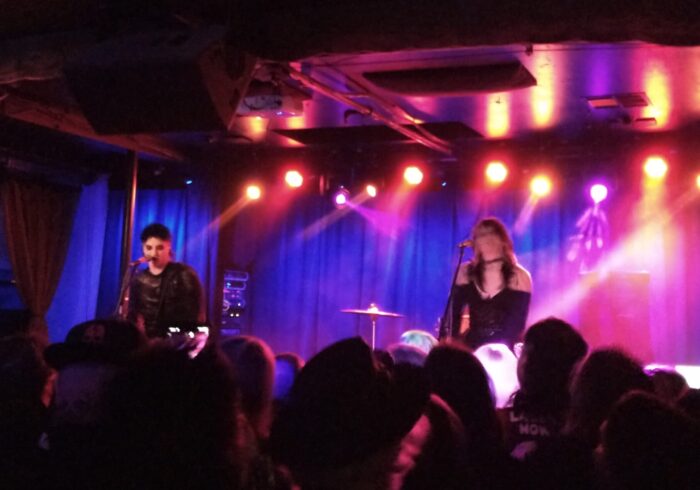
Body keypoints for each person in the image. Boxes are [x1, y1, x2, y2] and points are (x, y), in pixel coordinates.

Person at [448, 217, 532, 351]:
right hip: (472, 349)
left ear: (502, 240)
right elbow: (452, 319)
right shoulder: (465, 273)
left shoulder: (520, 276)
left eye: (491, 233)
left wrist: (495, 354)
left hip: (506, 351)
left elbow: (517, 325)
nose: (486, 238)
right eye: (481, 234)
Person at [127, 223, 205, 339]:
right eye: (149, 248)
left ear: (169, 247)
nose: (153, 254)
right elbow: (133, 315)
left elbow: (196, 316)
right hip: (146, 345)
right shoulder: (138, 278)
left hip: (176, 345)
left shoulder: (184, 274)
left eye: (160, 248)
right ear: (143, 248)